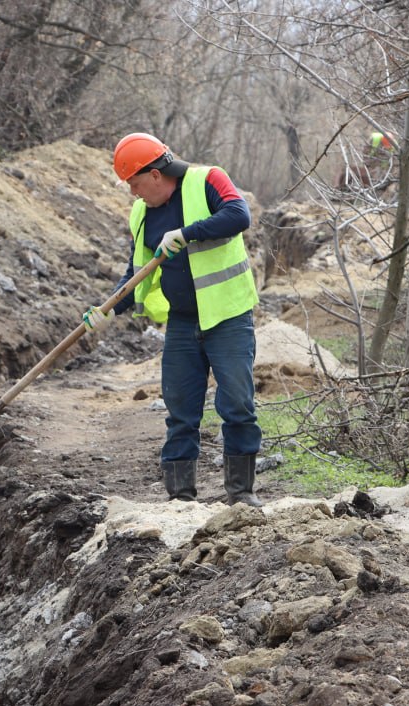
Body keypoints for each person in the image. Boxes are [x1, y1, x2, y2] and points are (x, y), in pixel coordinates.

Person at [83, 132, 263, 507]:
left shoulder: (208, 179)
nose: (133, 193)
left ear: (154, 174)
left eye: (134, 183)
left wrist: (186, 233)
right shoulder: (142, 214)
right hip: (182, 323)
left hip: (228, 318)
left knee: (238, 406)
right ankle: (181, 499)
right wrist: (107, 310)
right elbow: (136, 273)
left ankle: (241, 495)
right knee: (180, 412)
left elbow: (239, 215)